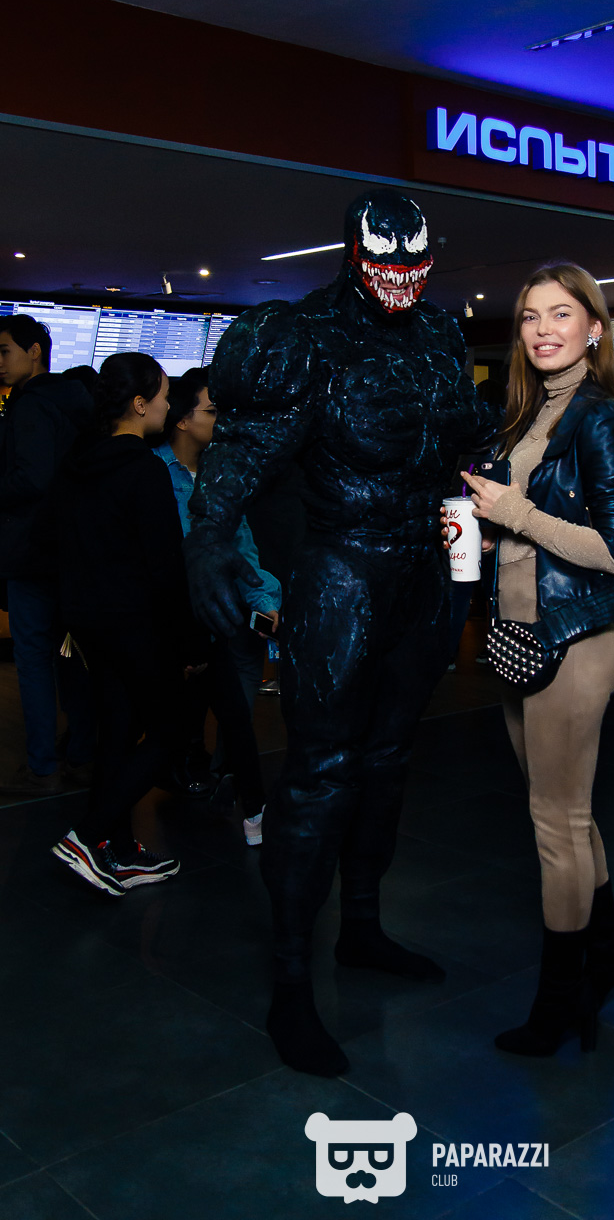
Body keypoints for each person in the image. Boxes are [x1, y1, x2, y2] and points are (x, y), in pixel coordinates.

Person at [185, 189, 496, 1077]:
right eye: (383, 262)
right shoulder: (302, 335)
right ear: (353, 255)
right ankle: (290, 980)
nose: (400, 278)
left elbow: (459, 452)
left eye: (414, 262)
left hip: (425, 567)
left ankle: (361, 925)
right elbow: (242, 450)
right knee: (320, 773)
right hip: (344, 567)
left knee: (388, 760)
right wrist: (209, 537)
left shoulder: (438, 336)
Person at [459, 261, 614, 1057]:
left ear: (594, 329)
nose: (542, 330)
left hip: (572, 642)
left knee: (554, 825)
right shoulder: (527, 415)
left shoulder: (599, 419)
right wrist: (487, 534)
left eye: (561, 314)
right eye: (530, 316)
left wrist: (515, 511)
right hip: (521, 637)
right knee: (569, 818)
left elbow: (613, 549)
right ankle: (610, 954)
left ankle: (560, 1001)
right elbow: (522, 533)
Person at [51, 353, 199, 895]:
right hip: (137, 623)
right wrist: (189, 644)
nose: (167, 405)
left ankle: (118, 850)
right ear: (139, 404)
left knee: (116, 730)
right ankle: (88, 837)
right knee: (172, 730)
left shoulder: (77, 462)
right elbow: (165, 569)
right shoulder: (144, 470)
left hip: (89, 623)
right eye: (162, 396)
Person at [153, 367, 281, 844]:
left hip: (222, 618)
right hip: (174, 622)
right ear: (182, 419)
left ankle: (245, 802)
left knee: (236, 714)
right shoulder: (152, 472)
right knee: (165, 725)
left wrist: (263, 599)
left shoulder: (221, 474)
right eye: (211, 410)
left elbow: (242, 545)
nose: (221, 419)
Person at [0, 315, 96, 793]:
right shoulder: (79, 401)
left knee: (34, 658)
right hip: (72, 552)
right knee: (71, 657)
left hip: (31, 550)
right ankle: (80, 754)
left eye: (5, 351)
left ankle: (41, 766)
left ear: (34, 351)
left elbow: (31, 478)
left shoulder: (31, 404)